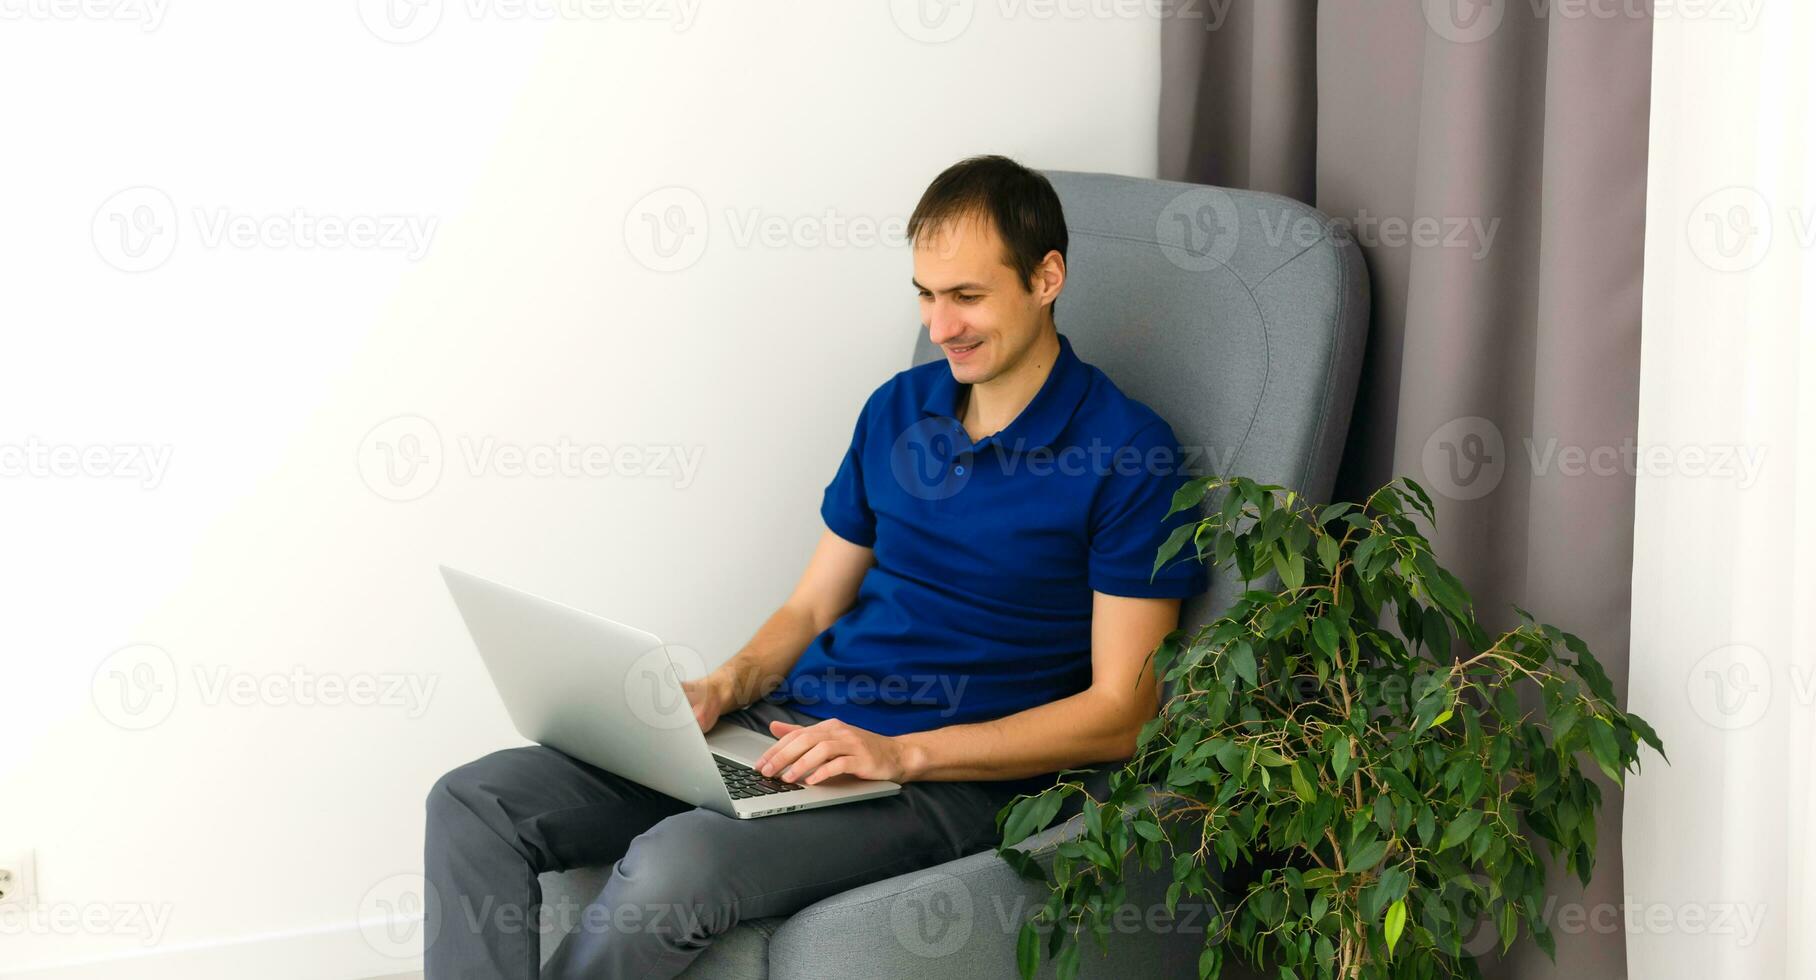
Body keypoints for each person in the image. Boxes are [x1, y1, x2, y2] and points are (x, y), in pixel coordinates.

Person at [423, 154, 1208, 979]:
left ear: (1047, 278)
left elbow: (1125, 710)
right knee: (476, 802)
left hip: (941, 782)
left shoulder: (1129, 452)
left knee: (672, 867)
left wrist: (903, 754)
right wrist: (722, 688)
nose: (941, 327)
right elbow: (809, 610)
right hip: (795, 734)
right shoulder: (898, 408)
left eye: (968, 296)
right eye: (926, 295)